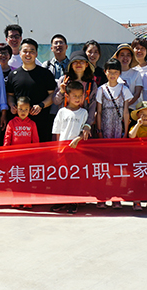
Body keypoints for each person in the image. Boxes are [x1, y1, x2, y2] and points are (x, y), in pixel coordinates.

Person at [7, 38, 57, 142]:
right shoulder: (13, 75)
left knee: (41, 150)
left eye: (31, 51)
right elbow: (10, 95)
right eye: (25, 51)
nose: (28, 54)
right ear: (20, 53)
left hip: (41, 122)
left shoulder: (45, 74)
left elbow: (52, 95)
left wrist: (41, 105)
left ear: (36, 54)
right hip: (19, 125)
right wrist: (12, 105)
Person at [52, 81, 91, 214]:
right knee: (62, 176)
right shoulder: (61, 112)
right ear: (67, 96)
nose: (77, 98)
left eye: (80, 96)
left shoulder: (84, 112)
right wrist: (57, 149)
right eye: (74, 95)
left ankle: (74, 201)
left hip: (77, 150)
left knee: (75, 175)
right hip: (62, 150)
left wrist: (78, 138)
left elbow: (85, 131)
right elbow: (57, 131)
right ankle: (62, 200)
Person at [53, 51, 97, 128]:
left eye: (82, 62)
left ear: (86, 65)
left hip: (83, 123)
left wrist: (87, 124)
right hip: (65, 122)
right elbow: (56, 102)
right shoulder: (64, 80)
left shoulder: (91, 84)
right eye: (75, 62)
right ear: (71, 65)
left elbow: (92, 107)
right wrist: (61, 91)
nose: (78, 64)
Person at [95, 58, 133, 140]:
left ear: (120, 73)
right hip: (105, 128)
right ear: (105, 72)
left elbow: (126, 112)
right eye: (110, 72)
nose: (112, 75)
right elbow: (99, 112)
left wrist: (126, 132)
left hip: (119, 129)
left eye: (115, 72)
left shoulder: (124, 89)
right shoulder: (101, 90)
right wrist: (99, 131)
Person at [44, 34, 70, 121]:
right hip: (49, 108)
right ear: (51, 48)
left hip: (67, 107)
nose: (58, 45)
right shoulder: (46, 65)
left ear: (66, 47)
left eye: (61, 42)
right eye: (56, 43)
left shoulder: (72, 65)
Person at [113, 43, 143, 108]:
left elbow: (137, 94)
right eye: (122, 55)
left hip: (132, 109)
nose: (125, 58)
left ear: (131, 57)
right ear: (117, 57)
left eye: (128, 55)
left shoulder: (136, 73)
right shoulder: (113, 73)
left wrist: (126, 105)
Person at [132, 37, 147, 103]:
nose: (139, 51)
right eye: (137, 48)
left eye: (142, 48)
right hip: (132, 105)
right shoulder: (129, 68)